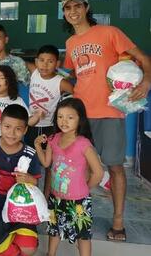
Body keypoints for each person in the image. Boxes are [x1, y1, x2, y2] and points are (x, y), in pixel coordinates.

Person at [61, 0, 151, 242]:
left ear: (86, 7)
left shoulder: (110, 32)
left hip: (110, 112)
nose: (72, 12)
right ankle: (77, 217)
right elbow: (74, 76)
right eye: (67, 9)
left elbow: (143, 58)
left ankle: (118, 223)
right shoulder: (70, 44)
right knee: (77, 169)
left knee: (114, 166)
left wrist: (146, 81)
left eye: (76, 6)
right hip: (81, 115)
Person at [35, 98, 104, 256]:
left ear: (80, 119)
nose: (64, 121)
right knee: (54, 230)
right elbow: (46, 163)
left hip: (79, 200)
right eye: (60, 116)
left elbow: (98, 172)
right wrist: (38, 146)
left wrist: (85, 188)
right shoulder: (54, 139)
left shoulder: (83, 143)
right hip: (56, 197)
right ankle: (50, 254)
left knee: (83, 235)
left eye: (70, 117)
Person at [0, 104, 41, 256]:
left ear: (25, 130)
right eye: (7, 126)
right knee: (6, 251)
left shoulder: (30, 154)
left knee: (29, 248)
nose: (11, 133)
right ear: (0, 125)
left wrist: (29, 179)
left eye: (18, 129)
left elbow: (36, 183)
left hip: (20, 210)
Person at [25, 45, 74, 197]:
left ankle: (46, 198)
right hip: (31, 126)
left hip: (50, 128)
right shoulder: (33, 72)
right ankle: (31, 196)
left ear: (57, 64)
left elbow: (77, 98)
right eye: (41, 60)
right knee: (28, 163)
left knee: (49, 165)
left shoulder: (61, 83)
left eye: (50, 61)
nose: (45, 65)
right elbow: (17, 61)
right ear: (36, 61)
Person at [0, 65, 42, 140]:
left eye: (1, 78)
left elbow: (29, 122)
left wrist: (37, 116)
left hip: (8, 143)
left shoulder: (17, 101)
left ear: (10, 81)